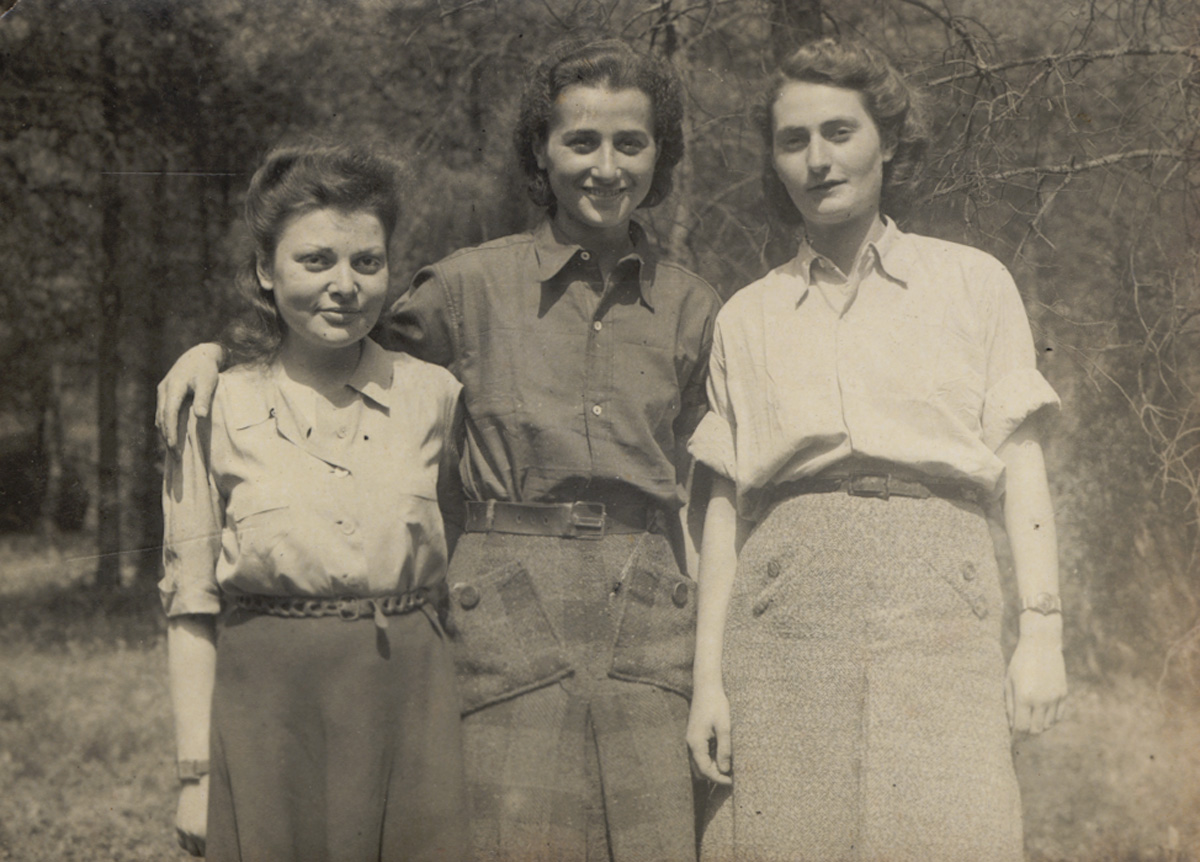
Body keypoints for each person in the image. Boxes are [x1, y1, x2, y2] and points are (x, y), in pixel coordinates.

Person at [158, 38, 723, 862]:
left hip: (647, 615)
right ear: (540, 150)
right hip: (506, 614)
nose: (606, 166)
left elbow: (718, 476)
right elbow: (329, 333)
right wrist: (211, 352)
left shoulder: (694, 306)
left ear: (658, 153)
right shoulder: (465, 286)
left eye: (630, 143)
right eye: (580, 141)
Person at [684, 38, 1067, 862]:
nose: (819, 161)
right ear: (776, 162)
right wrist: (707, 681)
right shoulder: (747, 316)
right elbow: (723, 509)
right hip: (784, 607)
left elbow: (1022, 465)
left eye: (840, 132)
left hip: (942, 593)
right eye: (794, 141)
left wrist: (1042, 632)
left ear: (886, 141)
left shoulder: (973, 283)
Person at [161, 141, 467, 861]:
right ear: (266, 270)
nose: (344, 285)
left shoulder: (436, 397)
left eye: (367, 262)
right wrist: (194, 776)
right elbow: (190, 607)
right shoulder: (210, 405)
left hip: (408, 705)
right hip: (267, 712)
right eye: (314, 260)